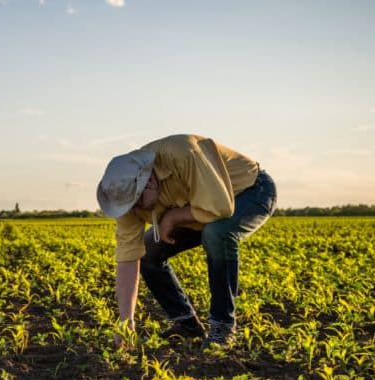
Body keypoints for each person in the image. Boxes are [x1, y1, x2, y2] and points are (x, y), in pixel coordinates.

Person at [96, 134, 277, 347]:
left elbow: (220, 207)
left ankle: (223, 327)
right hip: (198, 208)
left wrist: (173, 217)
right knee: (148, 251)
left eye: (137, 204)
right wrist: (126, 322)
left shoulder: (183, 153)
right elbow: (128, 256)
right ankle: (186, 324)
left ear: (149, 182)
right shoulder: (125, 194)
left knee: (216, 233)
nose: (134, 212)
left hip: (248, 192)